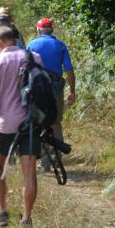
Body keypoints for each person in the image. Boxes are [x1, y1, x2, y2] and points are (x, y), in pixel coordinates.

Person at [0, 26, 44, 228]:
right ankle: (26, 218)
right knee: (29, 171)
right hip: (30, 122)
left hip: (5, 124)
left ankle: (1, 212)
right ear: (16, 40)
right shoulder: (34, 57)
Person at [26, 18, 76, 171]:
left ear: (39, 30)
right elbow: (69, 70)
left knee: (38, 122)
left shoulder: (32, 45)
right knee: (55, 122)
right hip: (55, 87)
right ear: (51, 30)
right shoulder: (60, 45)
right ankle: (56, 159)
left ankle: (43, 162)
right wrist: (72, 91)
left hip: (37, 87)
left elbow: (25, 67)